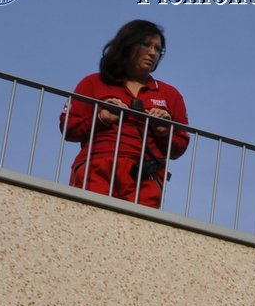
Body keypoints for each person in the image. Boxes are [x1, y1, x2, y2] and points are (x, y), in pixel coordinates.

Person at [61, 20, 188, 208]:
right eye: (146, 45)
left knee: (137, 231)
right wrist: (101, 118)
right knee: (90, 222)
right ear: (127, 45)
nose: (152, 53)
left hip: (145, 176)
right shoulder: (93, 83)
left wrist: (163, 131)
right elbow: (68, 128)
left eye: (158, 49)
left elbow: (180, 145)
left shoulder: (170, 94)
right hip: (97, 166)